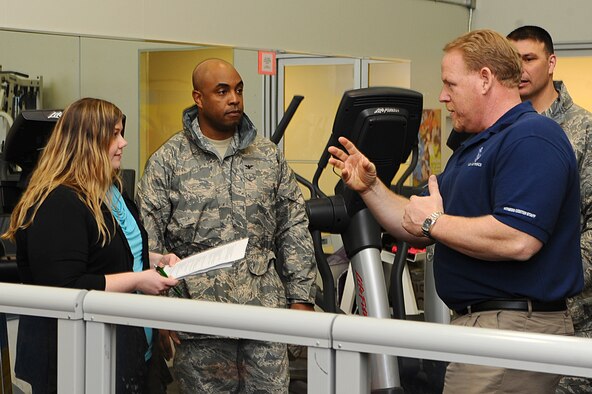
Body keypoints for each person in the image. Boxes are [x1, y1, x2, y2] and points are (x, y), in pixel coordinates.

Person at [328, 29, 583, 394]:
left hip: (511, 325)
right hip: (483, 323)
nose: (442, 96)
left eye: (450, 84)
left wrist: (433, 223)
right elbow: (413, 220)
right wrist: (371, 187)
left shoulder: (532, 138)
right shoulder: (476, 146)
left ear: (484, 79)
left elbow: (518, 239)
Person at [136, 58, 317, 393]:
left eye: (238, 89)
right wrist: (160, 311)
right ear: (198, 98)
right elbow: (149, 244)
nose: (234, 98)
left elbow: (293, 226)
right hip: (198, 324)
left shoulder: (267, 156)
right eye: (222, 91)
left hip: (265, 318)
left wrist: (301, 297)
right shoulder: (167, 161)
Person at [2, 97, 180, 394]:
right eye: (114, 134)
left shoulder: (110, 189)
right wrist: (139, 279)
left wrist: (153, 260)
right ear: (87, 141)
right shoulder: (58, 201)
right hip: (78, 360)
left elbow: (110, 251)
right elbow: (66, 285)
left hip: (130, 348)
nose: (123, 143)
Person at [506, 25, 592, 394]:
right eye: (513, 61)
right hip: (507, 314)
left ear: (551, 62)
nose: (521, 69)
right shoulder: (499, 130)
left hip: (572, 316)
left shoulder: (583, 130)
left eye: (529, 59)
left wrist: (559, 276)